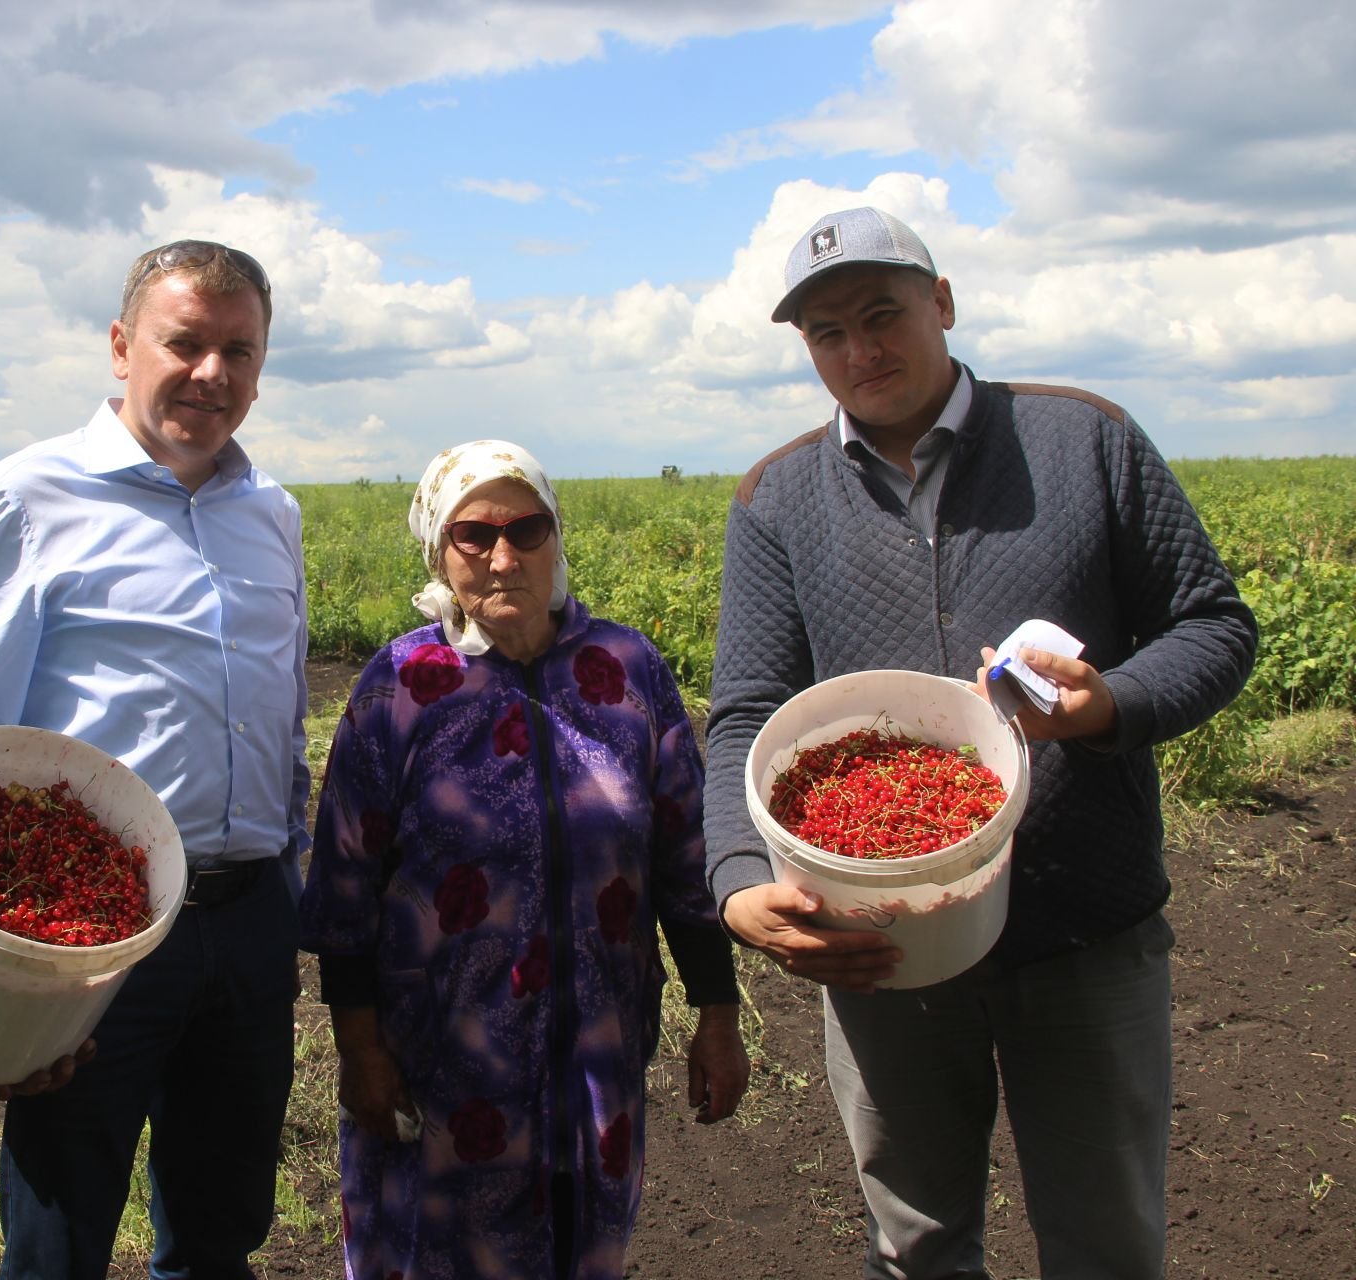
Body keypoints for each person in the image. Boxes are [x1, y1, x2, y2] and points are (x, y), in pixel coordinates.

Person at [703, 206, 1258, 1278]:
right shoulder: (779, 497)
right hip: (883, 944)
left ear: (943, 303)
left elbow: (1215, 624)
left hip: (1084, 929)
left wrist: (1103, 706)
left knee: (1106, 1244)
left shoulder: (1081, 439)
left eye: (882, 314)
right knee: (916, 1245)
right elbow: (746, 712)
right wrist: (735, 881)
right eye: (827, 333)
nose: (860, 351)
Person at [0, 239, 308, 1280]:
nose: (212, 373)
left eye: (239, 350)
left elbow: (280, 713)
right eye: (185, 343)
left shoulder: (272, 516)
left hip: (252, 912)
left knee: (223, 1224)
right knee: (60, 1227)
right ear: (123, 346)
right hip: (98, 932)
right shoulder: (25, 501)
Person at [301, 440, 751, 1280]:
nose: (505, 556)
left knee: (584, 1250)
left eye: (528, 529)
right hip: (442, 1069)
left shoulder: (624, 671)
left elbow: (684, 863)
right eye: (474, 534)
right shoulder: (399, 688)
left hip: (597, 1064)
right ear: (439, 549)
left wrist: (717, 1014)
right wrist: (360, 1050)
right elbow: (344, 892)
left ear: (557, 539)